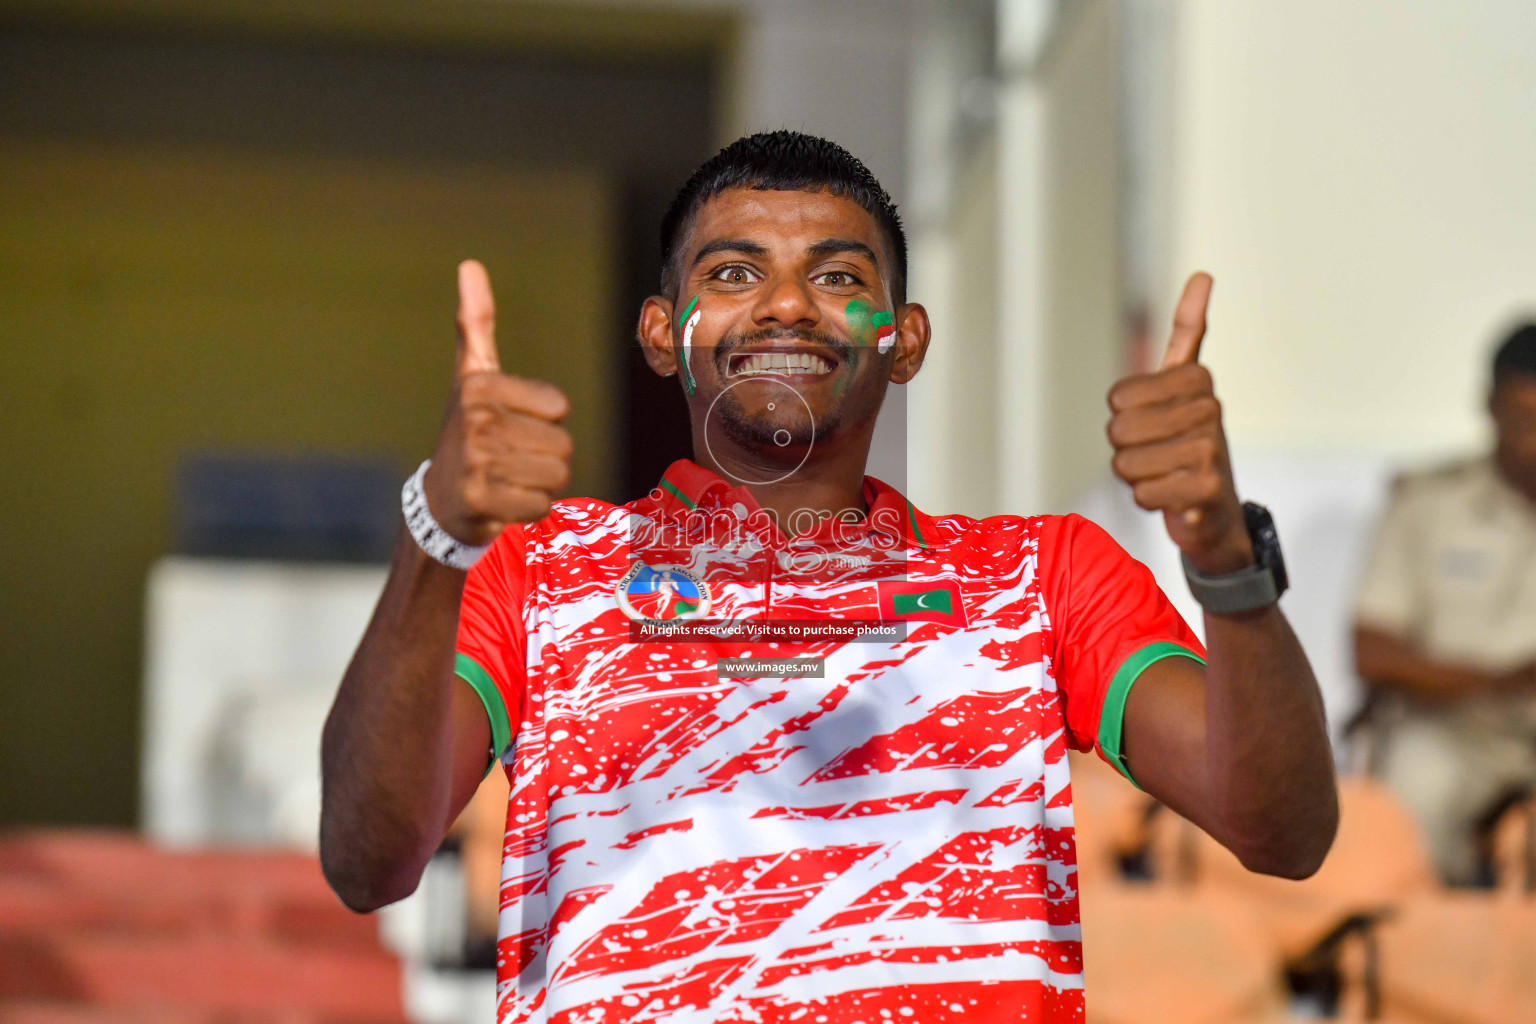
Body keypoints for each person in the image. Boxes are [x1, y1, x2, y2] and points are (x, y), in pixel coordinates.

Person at [320, 131, 1337, 1022]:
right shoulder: (540, 571)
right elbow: (370, 859)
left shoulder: (1042, 575)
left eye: (841, 277)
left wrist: (1224, 562)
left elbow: (1281, 832)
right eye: (731, 274)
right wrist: (437, 536)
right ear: (659, 335)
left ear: (907, 342)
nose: (788, 305)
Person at [1354, 324, 1536, 886]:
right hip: (1449, 728)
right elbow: (1374, 653)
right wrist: (1500, 682)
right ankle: (1416, 954)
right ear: (1491, 406)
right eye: (1523, 416)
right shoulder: (1428, 503)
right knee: (1416, 785)